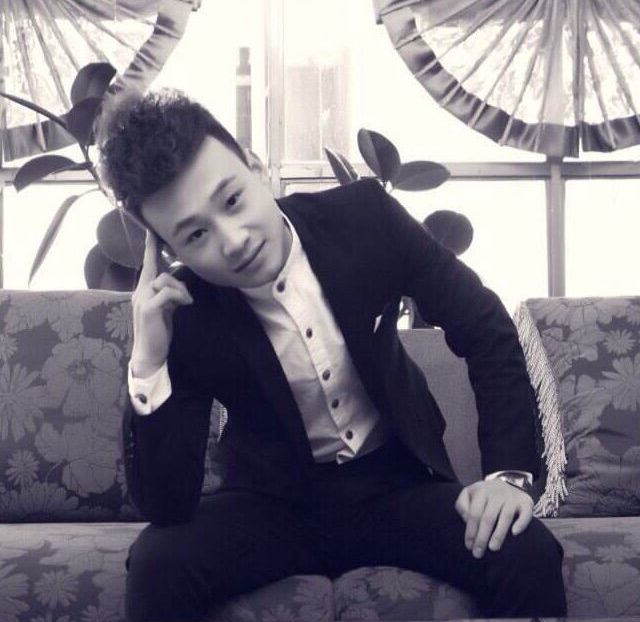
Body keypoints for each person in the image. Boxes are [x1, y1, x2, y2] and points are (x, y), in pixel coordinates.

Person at [98, 88, 566, 622]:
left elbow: (483, 326)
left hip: (397, 486)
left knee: (524, 550)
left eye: (232, 201)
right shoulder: (183, 311)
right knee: (158, 564)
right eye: (196, 234)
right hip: (272, 505)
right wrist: (149, 360)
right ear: (169, 250)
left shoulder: (365, 219)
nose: (233, 241)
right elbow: (167, 506)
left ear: (256, 169)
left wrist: (508, 477)